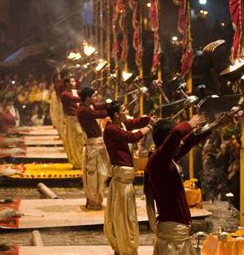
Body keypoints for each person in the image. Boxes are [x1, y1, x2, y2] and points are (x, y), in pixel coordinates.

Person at [144, 115, 231, 255]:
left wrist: (215, 125)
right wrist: (190, 123)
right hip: (172, 234)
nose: (181, 143)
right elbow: (176, 135)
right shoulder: (158, 161)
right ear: (168, 141)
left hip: (177, 231)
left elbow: (189, 141)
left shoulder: (166, 160)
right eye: (178, 141)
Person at [103, 101, 154, 255]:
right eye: (124, 109)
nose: (127, 111)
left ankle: (124, 246)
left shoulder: (121, 123)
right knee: (122, 217)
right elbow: (131, 137)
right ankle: (123, 246)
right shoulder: (111, 129)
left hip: (126, 178)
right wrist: (149, 127)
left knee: (127, 215)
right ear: (117, 114)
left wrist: (149, 118)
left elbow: (134, 123)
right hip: (121, 179)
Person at [77, 87, 110, 210]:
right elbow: (99, 114)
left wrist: (109, 104)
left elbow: (98, 107)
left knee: (99, 175)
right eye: (93, 96)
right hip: (94, 146)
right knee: (96, 176)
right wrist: (112, 109)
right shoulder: (84, 110)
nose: (95, 98)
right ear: (87, 98)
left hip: (96, 144)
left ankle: (95, 202)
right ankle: (93, 202)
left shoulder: (86, 107)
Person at [61, 76, 86, 169]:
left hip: (78, 119)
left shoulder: (74, 92)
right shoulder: (65, 94)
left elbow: (80, 94)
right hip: (72, 119)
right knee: (75, 141)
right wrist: (87, 97)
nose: (74, 83)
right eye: (72, 81)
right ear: (67, 83)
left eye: (75, 81)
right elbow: (75, 99)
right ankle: (77, 162)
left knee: (81, 140)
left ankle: (81, 161)